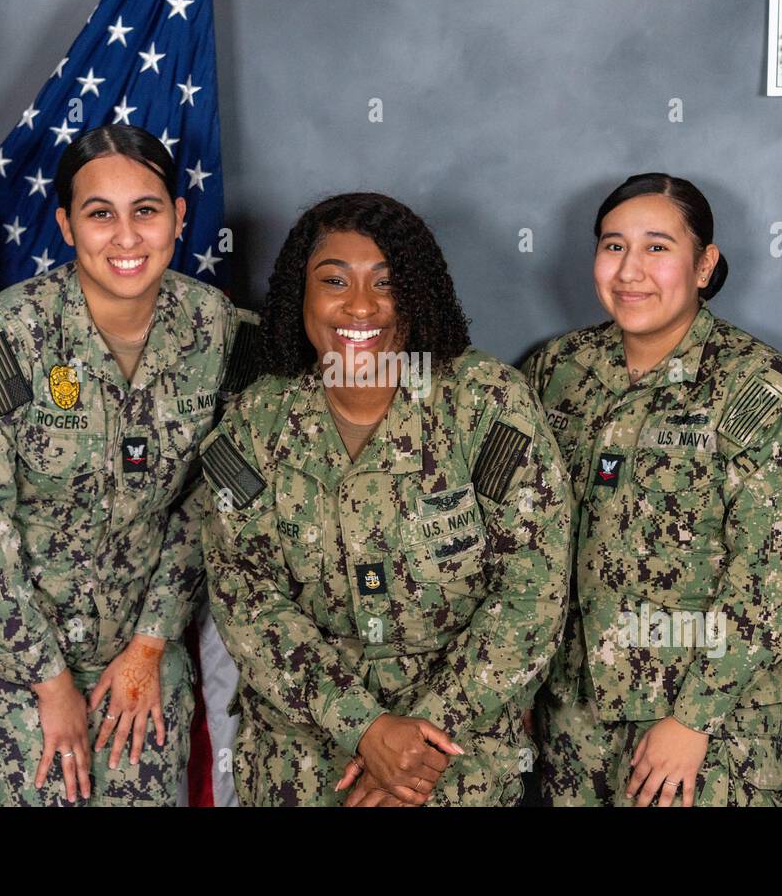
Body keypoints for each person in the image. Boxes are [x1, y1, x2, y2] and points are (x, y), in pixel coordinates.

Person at [0, 125, 253, 805]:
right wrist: (48, 680)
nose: (126, 237)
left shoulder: (214, 330)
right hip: (2, 671)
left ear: (179, 217)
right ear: (67, 226)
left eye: (147, 211)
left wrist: (153, 641)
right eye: (100, 214)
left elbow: (210, 500)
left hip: (139, 660)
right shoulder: (0, 341)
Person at [201, 192, 571, 806]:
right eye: (334, 281)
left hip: (456, 767)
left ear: (418, 294)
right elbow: (245, 600)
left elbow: (534, 591)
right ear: (301, 294)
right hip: (304, 765)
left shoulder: (485, 403)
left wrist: (414, 749)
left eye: (385, 283)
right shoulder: (256, 421)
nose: (360, 305)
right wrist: (365, 729)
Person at [527, 173, 782, 807]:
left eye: (658, 247)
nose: (631, 270)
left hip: (707, 737)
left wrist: (692, 718)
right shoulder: (559, 371)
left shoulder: (754, 385)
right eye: (613, 246)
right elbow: (525, 545)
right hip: (573, 726)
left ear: (703, 265)